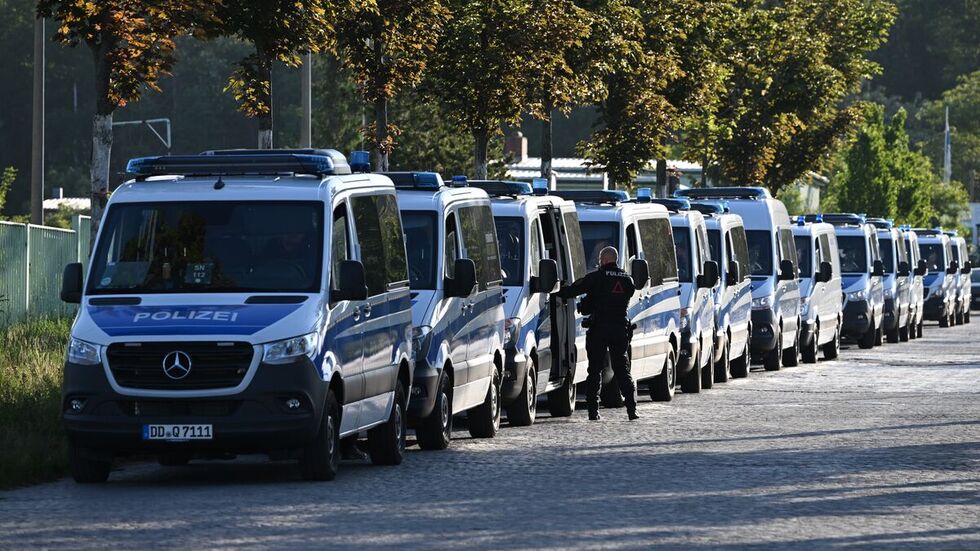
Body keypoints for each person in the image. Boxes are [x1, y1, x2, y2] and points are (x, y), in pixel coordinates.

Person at [557, 246, 638, 421]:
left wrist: (557, 289)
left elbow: (573, 291)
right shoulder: (627, 279)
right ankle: (632, 409)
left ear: (604, 260)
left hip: (599, 328)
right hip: (619, 329)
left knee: (595, 369)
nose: (599, 262)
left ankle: (593, 411)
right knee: (622, 368)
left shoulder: (596, 277)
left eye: (601, 259)